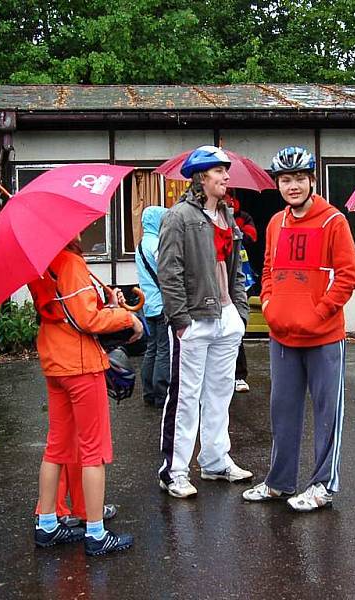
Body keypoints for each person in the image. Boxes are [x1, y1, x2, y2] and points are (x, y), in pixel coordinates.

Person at [242, 146, 355, 512]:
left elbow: (348, 276)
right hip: (283, 335)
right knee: (282, 409)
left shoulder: (333, 221)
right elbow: (267, 270)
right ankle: (279, 483)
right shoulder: (276, 222)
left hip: (323, 336)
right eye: (285, 180)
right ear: (278, 184)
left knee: (328, 412)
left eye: (298, 178)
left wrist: (319, 312)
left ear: (312, 180)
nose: (292, 186)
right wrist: (271, 305)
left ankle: (323, 485)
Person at [28, 234, 143, 556]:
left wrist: (108, 304)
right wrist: (126, 317)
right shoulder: (71, 262)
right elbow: (86, 319)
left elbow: (69, 311)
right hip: (80, 363)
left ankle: (47, 524)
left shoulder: (39, 264)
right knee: (93, 450)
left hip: (54, 360)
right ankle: (95, 531)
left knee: (57, 446)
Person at [157, 145, 251, 499]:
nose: (226, 176)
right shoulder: (178, 216)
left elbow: (237, 268)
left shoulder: (227, 215)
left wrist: (239, 313)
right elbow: (169, 271)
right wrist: (180, 320)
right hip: (194, 319)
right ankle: (174, 471)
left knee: (220, 393)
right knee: (185, 396)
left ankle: (214, 461)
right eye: (218, 171)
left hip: (226, 318)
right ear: (200, 177)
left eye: (226, 170)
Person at [135, 206, 170, 408]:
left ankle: (148, 391)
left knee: (152, 349)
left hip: (148, 304)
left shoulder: (141, 244)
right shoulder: (157, 245)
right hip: (162, 304)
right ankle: (161, 394)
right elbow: (165, 272)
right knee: (164, 350)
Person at [226, 193, 258, 394]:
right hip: (217, 281)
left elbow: (252, 237)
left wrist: (235, 232)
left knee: (236, 330)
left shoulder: (243, 217)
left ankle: (239, 375)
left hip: (241, 276)